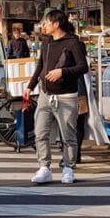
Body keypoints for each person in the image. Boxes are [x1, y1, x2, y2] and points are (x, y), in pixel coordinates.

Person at [23, 10, 88, 184]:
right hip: (45, 94)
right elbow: (40, 66)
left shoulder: (73, 43)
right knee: (40, 132)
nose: (44, 26)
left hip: (66, 96)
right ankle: (44, 167)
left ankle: (68, 167)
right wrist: (30, 86)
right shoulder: (46, 43)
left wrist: (62, 72)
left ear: (56, 24)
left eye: (46, 23)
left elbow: (83, 67)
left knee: (68, 135)